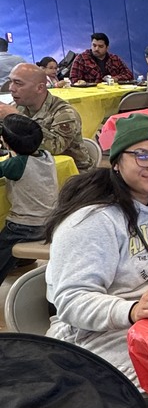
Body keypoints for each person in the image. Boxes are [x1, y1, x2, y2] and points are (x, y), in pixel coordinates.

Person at [44, 113, 148, 391]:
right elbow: (70, 301)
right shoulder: (92, 221)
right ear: (116, 162)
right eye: (142, 156)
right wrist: (131, 310)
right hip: (99, 338)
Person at [0, 63, 97, 170]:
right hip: (35, 170)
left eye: (18, 83)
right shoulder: (17, 106)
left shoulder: (65, 113)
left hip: (72, 174)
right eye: (11, 81)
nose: (11, 88)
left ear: (40, 88)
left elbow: (55, 148)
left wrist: (17, 118)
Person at [0, 116, 58, 284]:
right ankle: (21, 261)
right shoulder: (47, 155)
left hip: (24, 226)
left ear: (7, 143)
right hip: (49, 223)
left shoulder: (17, 164)